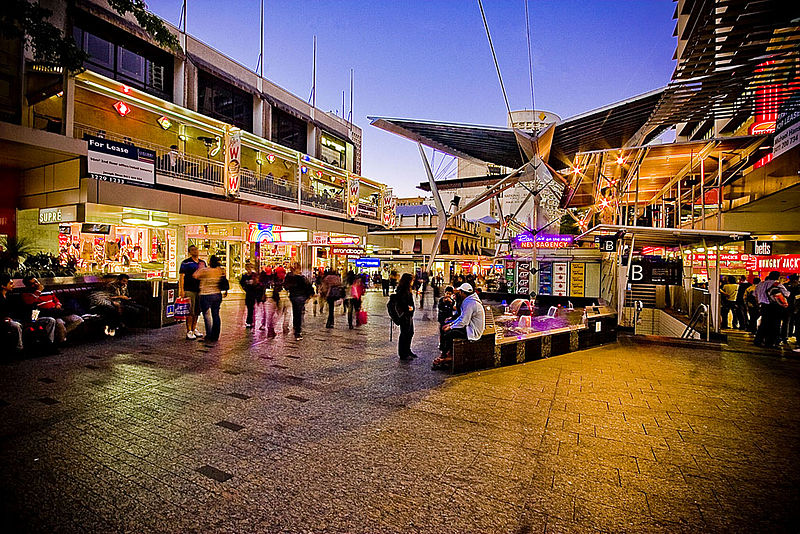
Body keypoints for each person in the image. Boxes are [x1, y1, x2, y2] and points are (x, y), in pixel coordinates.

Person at [433, 283, 486, 370]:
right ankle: (446, 353)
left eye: (460, 292)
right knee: (445, 329)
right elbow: (461, 317)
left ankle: (448, 356)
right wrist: (450, 324)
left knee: (449, 334)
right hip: (469, 326)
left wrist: (450, 327)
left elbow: (464, 321)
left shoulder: (470, 303)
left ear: (464, 293)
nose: (459, 293)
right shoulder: (469, 301)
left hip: (472, 330)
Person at [1, 274, 57, 353]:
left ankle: (49, 345)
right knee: (16, 325)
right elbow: (29, 302)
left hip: (26, 318)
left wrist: (33, 317)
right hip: (10, 321)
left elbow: (28, 309)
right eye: (10, 284)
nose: (13, 285)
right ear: (3, 286)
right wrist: (5, 317)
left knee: (50, 320)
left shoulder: (11, 296)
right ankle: (19, 349)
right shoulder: (25, 293)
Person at [20, 275, 83, 343]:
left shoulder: (47, 290)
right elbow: (30, 302)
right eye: (32, 283)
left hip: (57, 311)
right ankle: (59, 342)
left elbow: (56, 299)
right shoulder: (27, 294)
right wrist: (38, 291)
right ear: (27, 286)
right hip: (46, 314)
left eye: (36, 282)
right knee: (60, 323)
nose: (36, 284)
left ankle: (59, 334)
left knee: (78, 319)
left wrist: (58, 304)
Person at [194, 255, 226, 343]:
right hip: (217, 294)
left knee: (207, 315)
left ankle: (209, 335)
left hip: (206, 294)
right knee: (216, 315)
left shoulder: (205, 270)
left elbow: (195, 276)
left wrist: (200, 268)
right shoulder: (220, 270)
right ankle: (215, 335)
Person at [754, 271, 788, 348]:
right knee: (774, 325)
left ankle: (758, 340)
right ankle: (770, 342)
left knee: (764, 323)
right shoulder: (777, 285)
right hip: (773, 306)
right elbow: (786, 294)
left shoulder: (760, 284)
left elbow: (755, 295)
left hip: (763, 306)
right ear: (777, 277)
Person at [179, 245, 206, 340]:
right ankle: (189, 330)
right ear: (190, 252)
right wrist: (181, 290)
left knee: (197, 311)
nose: (195, 251)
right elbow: (181, 277)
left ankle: (194, 328)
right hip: (189, 289)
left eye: (196, 249)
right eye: (193, 250)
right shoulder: (186, 263)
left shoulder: (202, 263)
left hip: (200, 290)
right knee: (190, 311)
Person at [392, 273, 416, 360]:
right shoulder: (402, 290)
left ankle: (407, 350)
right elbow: (402, 303)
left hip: (408, 315)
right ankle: (403, 353)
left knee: (410, 333)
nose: (413, 282)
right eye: (412, 280)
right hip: (404, 316)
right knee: (405, 334)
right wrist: (408, 308)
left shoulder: (407, 289)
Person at [285, 263, 312, 340]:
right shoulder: (301, 278)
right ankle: (297, 331)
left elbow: (286, 286)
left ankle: (296, 328)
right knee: (299, 313)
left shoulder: (289, 277)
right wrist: (308, 296)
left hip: (294, 296)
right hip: (300, 297)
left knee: (296, 312)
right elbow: (308, 287)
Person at [266, 265, 290, 338]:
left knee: (280, 314)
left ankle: (272, 328)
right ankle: (284, 327)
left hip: (278, 298)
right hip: (283, 298)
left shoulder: (274, 279)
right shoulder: (283, 279)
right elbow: (287, 287)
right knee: (285, 313)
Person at [239, 262, 260, 328]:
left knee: (252, 308)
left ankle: (251, 321)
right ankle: (250, 321)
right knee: (250, 308)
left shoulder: (254, 276)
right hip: (249, 293)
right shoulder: (245, 276)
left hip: (254, 293)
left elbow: (257, 283)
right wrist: (244, 288)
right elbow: (242, 283)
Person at [436, 286, 457, 353]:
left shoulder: (452, 301)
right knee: (441, 331)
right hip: (442, 317)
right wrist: (443, 302)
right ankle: (441, 344)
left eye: (449, 294)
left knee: (446, 331)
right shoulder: (441, 300)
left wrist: (451, 303)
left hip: (449, 318)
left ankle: (445, 345)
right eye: (447, 293)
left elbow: (453, 308)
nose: (448, 295)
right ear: (444, 293)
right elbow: (439, 307)